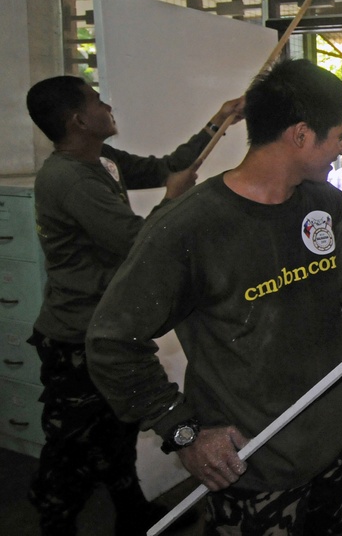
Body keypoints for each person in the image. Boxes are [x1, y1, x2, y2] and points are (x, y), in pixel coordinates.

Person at [85, 59, 342, 535]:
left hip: (336, 449)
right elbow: (110, 341)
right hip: (253, 468)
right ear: (301, 135)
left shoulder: (321, 203)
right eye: (338, 135)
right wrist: (182, 431)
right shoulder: (190, 228)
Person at [24, 75, 242, 535]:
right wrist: (172, 200)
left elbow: (167, 165)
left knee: (117, 431)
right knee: (72, 446)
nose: (108, 105)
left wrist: (218, 122)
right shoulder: (68, 179)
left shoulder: (101, 160)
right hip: (75, 336)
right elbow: (136, 243)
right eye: (97, 101)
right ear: (80, 120)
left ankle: (132, 514)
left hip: (105, 325)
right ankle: (53, 523)